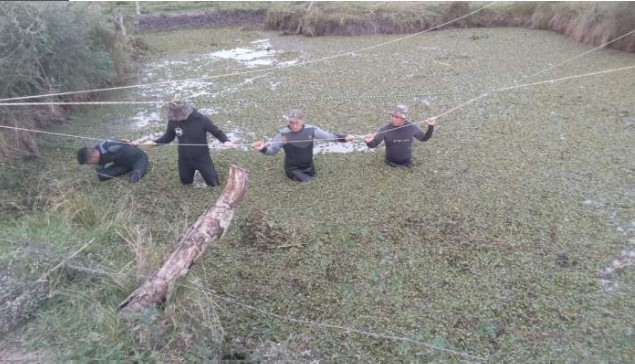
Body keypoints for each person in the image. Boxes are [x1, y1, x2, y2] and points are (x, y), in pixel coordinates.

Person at [133, 99, 234, 186]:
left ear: (186, 110)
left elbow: (217, 132)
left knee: (214, 184)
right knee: (185, 183)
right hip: (184, 160)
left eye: (179, 115)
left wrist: (226, 140)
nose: (177, 118)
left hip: (203, 159)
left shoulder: (201, 119)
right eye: (175, 115)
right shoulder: (173, 121)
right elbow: (168, 137)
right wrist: (155, 142)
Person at [252, 109, 354, 183]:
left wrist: (344, 138)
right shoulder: (284, 135)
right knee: (309, 183)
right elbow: (272, 151)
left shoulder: (311, 130)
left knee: (313, 176)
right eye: (292, 123)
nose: (294, 126)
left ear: (302, 121)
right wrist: (263, 148)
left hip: (309, 166)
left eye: (297, 123)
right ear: (289, 122)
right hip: (294, 169)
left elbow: (328, 137)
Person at [364, 105, 436, 167]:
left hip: (407, 163)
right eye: (393, 116)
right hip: (390, 164)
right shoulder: (385, 129)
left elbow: (424, 138)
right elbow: (373, 144)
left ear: (403, 118)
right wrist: (369, 141)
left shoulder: (412, 127)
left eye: (397, 117)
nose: (394, 119)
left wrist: (431, 126)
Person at [77, 139, 149, 183]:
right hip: (122, 165)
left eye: (89, 163)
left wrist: (132, 143)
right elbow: (100, 171)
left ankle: (134, 170)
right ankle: (129, 169)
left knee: (134, 179)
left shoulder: (107, 145)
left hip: (138, 159)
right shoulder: (98, 159)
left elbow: (124, 142)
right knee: (101, 176)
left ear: (92, 157)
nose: (90, 165)